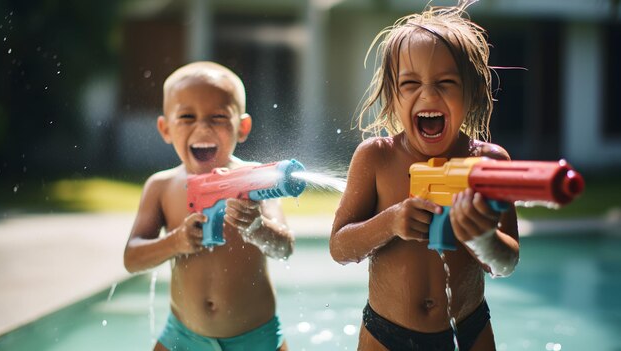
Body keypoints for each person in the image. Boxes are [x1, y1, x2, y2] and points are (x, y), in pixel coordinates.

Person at [330, 2, 519, 351]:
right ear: (393, 94)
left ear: (473, 92)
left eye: (446, 82)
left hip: (469, 328)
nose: (428, 95)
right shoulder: (377, 158)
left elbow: (507, 262)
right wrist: (389, 222)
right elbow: (339, 247)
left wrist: (482, 238)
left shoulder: (489, 162)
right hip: (386, 333)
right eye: (410, 83)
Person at [123, 61, 293, 351]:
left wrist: (257, 227)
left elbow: (284, 248)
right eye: (187, 117)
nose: (203, 127)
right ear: (165, 128)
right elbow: (132, 258)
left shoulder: (256, 180)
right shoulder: (161, 187)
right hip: (183, 336)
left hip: (254, 338)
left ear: (242, 127)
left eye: (218, 117)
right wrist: (174, 242)